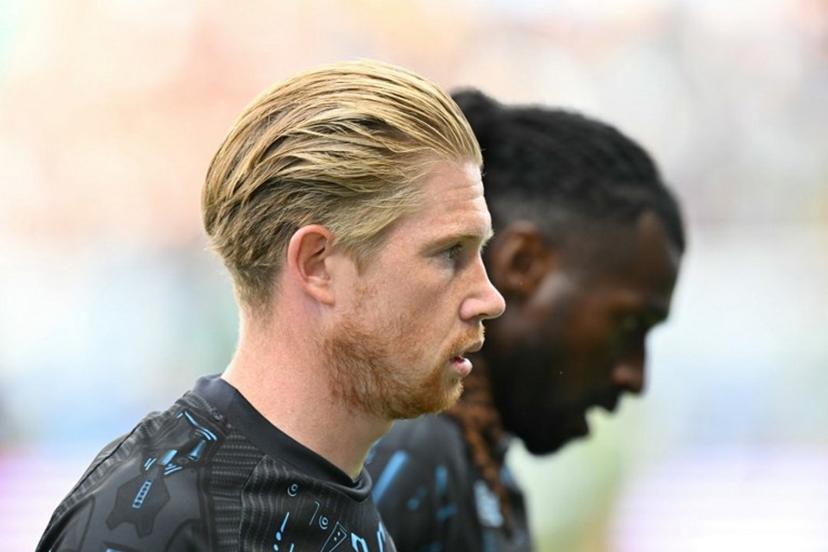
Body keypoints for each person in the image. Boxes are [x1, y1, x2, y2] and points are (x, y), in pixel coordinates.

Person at [37, 61, 505, 552]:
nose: (489, 298)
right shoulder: (155, 522)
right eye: (449, 253)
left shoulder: (344, 489)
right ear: (318, 264)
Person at [366, 90, 686, 551]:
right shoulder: (412, 458)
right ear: (523, 265)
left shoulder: (477, 468)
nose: (635, 376)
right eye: (629, 325)